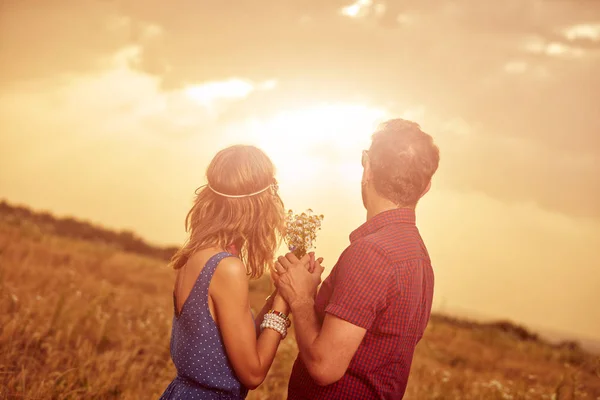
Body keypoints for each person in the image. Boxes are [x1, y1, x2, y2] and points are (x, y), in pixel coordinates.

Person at [274, 118, 441, 399]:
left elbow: (324, 366)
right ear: (426, 187)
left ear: (367, 166)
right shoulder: (417, 255)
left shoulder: (372, 253)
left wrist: (300, 297)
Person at [160, 144, 302, 399]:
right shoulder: (227, 267)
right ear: (260, 203)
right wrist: (284, 303)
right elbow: (253, 373)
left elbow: (237, 340)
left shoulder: (198, 254)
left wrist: (275, 296)